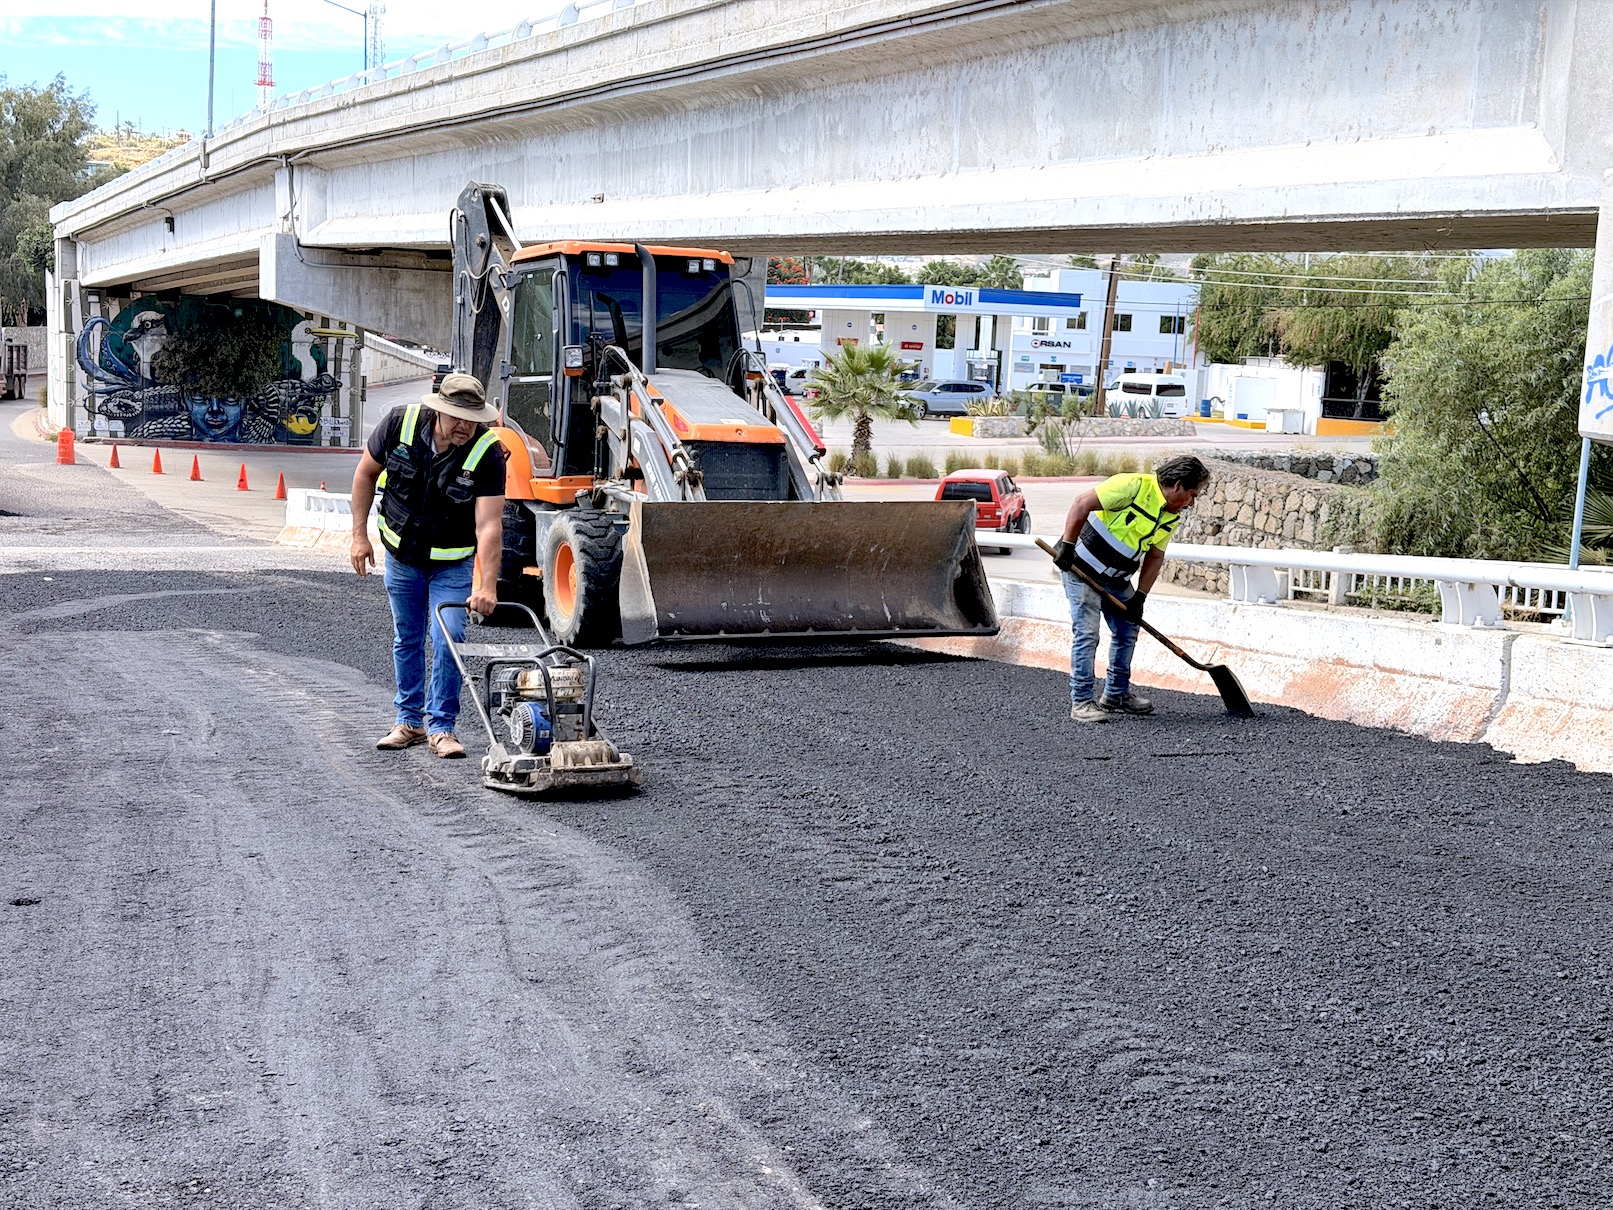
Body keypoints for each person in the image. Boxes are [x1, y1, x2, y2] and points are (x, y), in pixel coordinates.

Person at [350, 373, 508, 758]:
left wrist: (487, 585)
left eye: (472, 418)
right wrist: (358, 535)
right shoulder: (398, 423)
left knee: (448, 637)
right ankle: (409, 721)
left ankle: (442, 728)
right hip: (402, 558)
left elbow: (489, 525)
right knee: (408, 637)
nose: (465, 426)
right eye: (456, 416)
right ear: (438, 410)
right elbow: (365, 474)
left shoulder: (487, 451)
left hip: (452, 565)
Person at [1050, 454, 1210, 723]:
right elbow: (1081, 503)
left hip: (1116, 579)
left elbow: (1155, 556)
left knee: (1127, 629)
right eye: (1193, 494)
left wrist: (1140, 596)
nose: (1192, 503)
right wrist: (1066, 545)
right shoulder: (1132, 486)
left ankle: (1116, 694)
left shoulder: (1171, 516)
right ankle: (1082, 701)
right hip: (1080, 568)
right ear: (1178, 485)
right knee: (1087, 633)